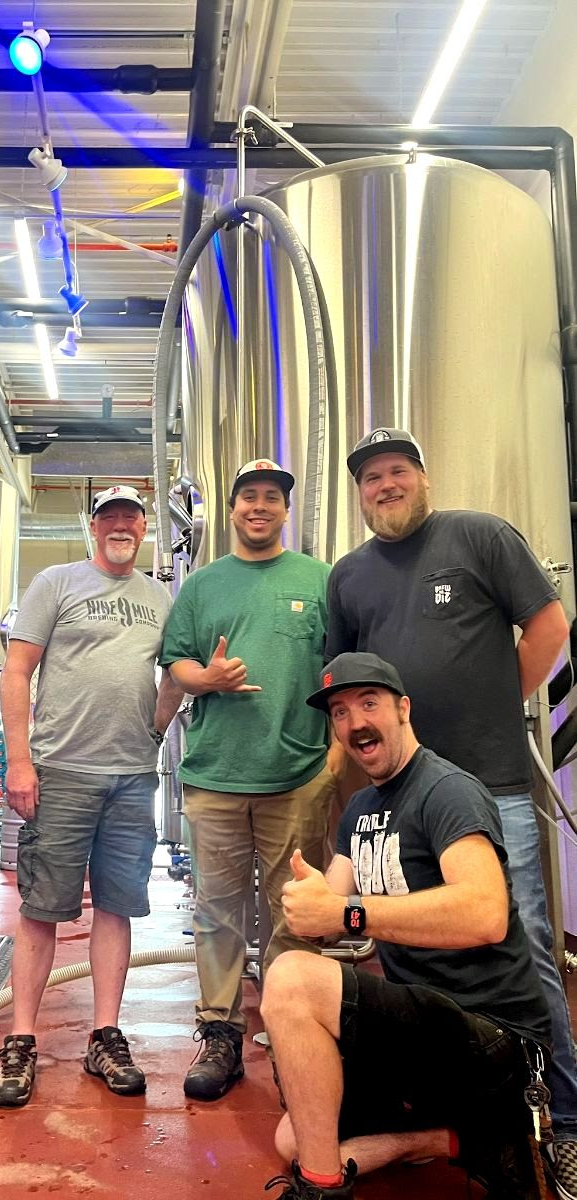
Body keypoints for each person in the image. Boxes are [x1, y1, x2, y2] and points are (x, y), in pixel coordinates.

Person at [325, 427, 577, 1200]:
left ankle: (563, 1121)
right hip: (399, 799)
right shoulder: (349, 575)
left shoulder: (479, 536)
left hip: (490, 781)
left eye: (396, 471)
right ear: (359, 494)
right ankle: (458, 1108)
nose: (384, 486)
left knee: (524, 943)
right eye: (370, 479)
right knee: (405, 949)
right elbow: (341, 679)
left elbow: (549, 627)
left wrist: (499, 706)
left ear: (422, 477)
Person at [261, 651, 552, 1200]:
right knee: (294, 1135)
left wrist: (344, 913)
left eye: (369, 704)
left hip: (493, 1038)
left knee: (292, 980)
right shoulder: (361, 810)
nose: (355, 723)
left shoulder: (448, 791)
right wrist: (308, 901)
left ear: (403, 710)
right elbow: (330, 905)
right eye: (340, 713)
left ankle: (321, 1189)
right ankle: (461, 1141)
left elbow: (486, 914)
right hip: (421, 1034)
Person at [0, 484, 183, 1108]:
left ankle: (104, 1034)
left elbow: (176, 671)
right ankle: (21, 1040)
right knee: (42, 909)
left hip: (132, 775)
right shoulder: (56, 582)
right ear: (93, 527)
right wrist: (18, 761)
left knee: (117, 907)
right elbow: (16, 671)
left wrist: (157, 723)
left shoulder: (160, 597)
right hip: (61, 769)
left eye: (131, 516)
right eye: (110, 516)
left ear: (144, 527)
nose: (121, 525)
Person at [160, 458, 337, 1102]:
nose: (259, 507)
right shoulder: (203, 585)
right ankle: (221, 1033)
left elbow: (340, 667)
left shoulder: (319, 580)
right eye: (247, 497)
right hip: (216, 775)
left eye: (271, 498)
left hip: (297, 776)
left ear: (285, 510)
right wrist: (205, 679)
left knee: (294, 913)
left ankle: (298, 1034)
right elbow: (175, 659)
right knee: (218, 913)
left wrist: (334, 764)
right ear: (231, 510)